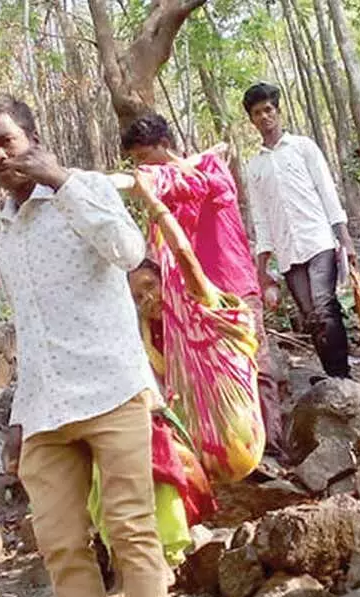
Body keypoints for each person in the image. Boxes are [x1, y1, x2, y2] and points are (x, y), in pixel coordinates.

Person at [0, 95, 172, 597]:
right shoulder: (5, 235)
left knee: (132, 534)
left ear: (31, 137)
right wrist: (18, 418)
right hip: (45, 408)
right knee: (59, 544)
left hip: (112, 389)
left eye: (6, 141)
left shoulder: (83, 189)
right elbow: (29, 328)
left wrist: (59, 179)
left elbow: (130, 251)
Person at [121, 113, 284, 461]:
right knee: (206, 371)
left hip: (231, 282)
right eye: (136, 162)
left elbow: (201, 187)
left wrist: (156, 177)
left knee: (255, 361)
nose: (141, 166)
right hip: (190, 294)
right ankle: (222, 451)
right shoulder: (165, 186)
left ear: (163, 147)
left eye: (142, 157)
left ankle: (270, 447)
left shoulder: (209, 168)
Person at [241, 82, 356, 379]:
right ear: (252, 120)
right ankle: (331, 377)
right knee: (311, 317)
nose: (265, 117)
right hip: (288, 250)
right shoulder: (255, 167)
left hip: (318, 239)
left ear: (278, 112)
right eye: (257, 113)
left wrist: (344, 238)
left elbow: (327, 192)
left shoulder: (303, 147)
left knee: (325, 305)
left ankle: (343, 377)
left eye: (269, 110)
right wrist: (263, 267)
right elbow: (261, 218)